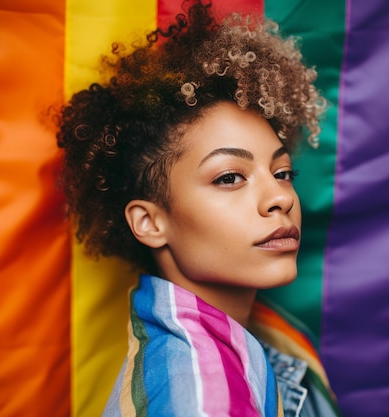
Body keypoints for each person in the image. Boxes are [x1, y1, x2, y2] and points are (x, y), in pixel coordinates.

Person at [56, 1, 339, 416]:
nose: (280, 198)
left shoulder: (264, 338)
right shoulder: (201, 399)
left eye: (282, 173)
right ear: (150, 222)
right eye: (229, 177)